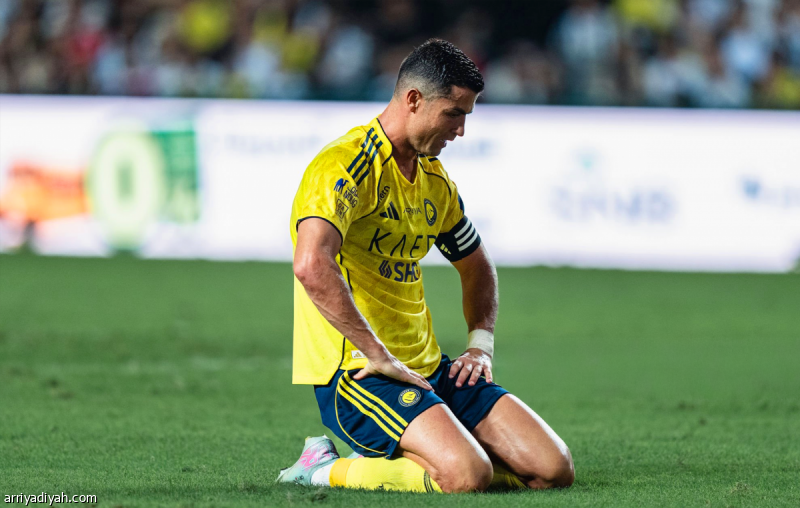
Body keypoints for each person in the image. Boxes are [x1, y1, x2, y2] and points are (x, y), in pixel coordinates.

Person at [278, 38, 574, 493]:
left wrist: (480, 346)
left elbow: (477, 264)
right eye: (454, 114)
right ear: (414, 99)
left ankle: (426, 451)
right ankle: (321, 467)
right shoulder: (344, 166)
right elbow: (311, 263)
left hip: (430, 368)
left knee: (553, 469)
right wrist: (379, 354)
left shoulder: (433, 180)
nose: (460, 131)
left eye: (466, 116)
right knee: (466, 476)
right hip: (361, 372)